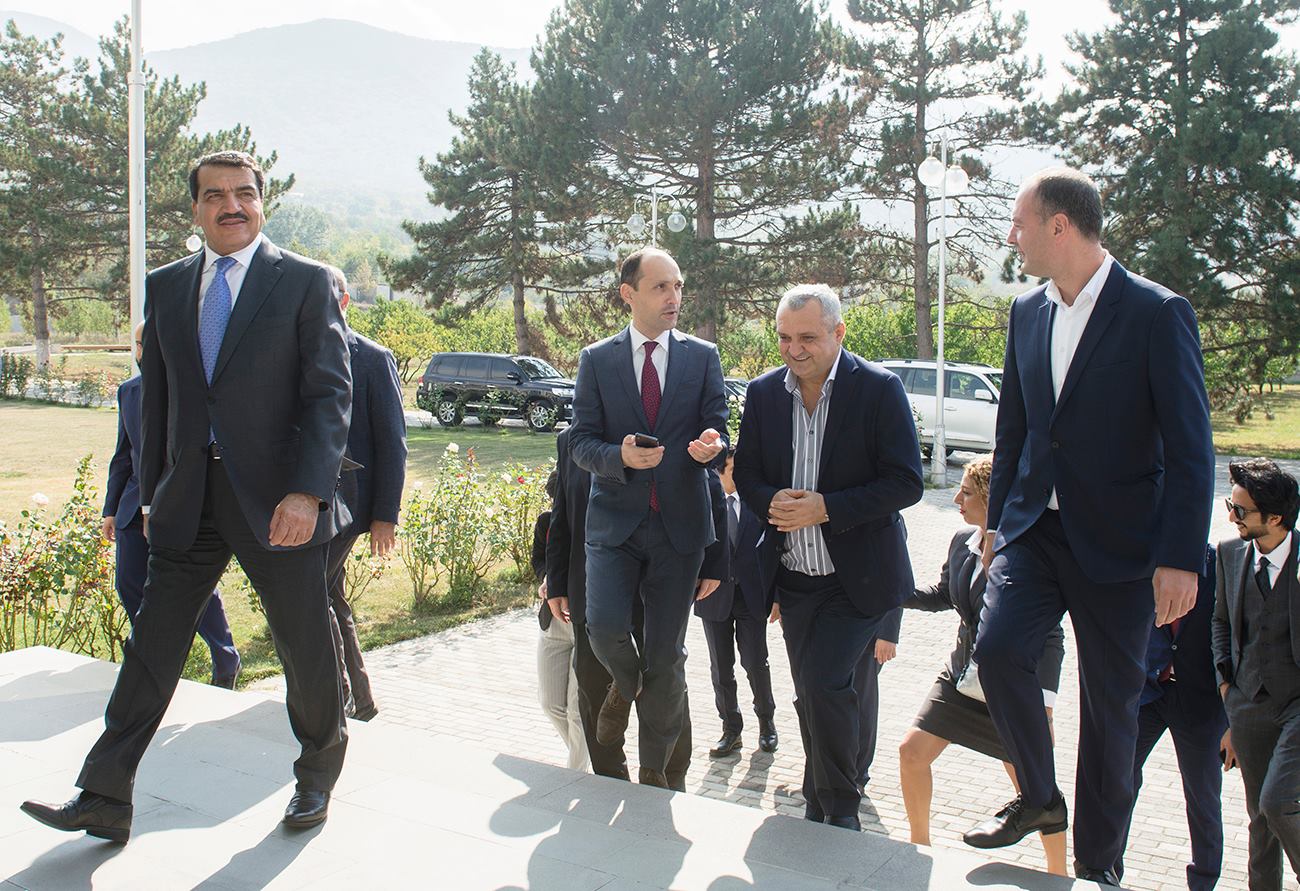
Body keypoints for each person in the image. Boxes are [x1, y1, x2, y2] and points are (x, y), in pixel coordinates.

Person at [21, 150, 353, 841]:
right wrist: (152, 492)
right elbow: (158, 401)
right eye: (215, 195)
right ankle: (104, 794)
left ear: (261, 202)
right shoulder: (167, 286)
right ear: (195, 208)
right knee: (153, 645)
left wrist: (308, 494)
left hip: (278, 505)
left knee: (303, 646)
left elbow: (329, 395)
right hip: (188, 501)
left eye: (244, 193)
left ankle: (316, 774)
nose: (232, 206)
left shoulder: (305, 281)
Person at [967, 166, 1215, 884]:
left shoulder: (1157, 312)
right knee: (997, 652)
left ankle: (1099, 864)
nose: (1011, 237)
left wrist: (1180, 558)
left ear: (1059, 226)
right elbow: (1014, 430)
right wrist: (997, 525)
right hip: (1035, 533)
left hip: (1124, 547)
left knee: (1110, 715)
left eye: (1019, 224)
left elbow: (1192, 448)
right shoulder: (1027, 313)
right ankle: (1040, 798)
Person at [734, 283, 923, 831]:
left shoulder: (879, 390)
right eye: (784, 338)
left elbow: (906, 482)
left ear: (839, 333)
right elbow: (747, 473)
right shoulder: (764, 393)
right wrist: (770, 499)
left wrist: (827, 508)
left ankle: (841, 809)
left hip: (858, 580)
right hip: (795, 579)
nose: (794, 350)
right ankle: (821, 799)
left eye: (808, 338)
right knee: (812, 693)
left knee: (824, 684)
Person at [569, 246, 727, 789]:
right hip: (614, 527)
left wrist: (712, 446)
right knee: (605, 630)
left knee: (666, 656)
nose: (674, 297)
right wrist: (618, 457)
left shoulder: (702, 357)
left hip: (679, 530)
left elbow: (717, 427)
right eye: (661, 287)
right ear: (628, 294)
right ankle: (625, 681)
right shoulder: (597, 360)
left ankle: (655, 773)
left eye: (678, 286)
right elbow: (580, 443)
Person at [897, 455, 1067, 876]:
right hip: (960, 678)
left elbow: (1050, 635)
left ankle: (1059, 872)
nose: (956, 499)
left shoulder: (1025, 554)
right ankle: (919, 846)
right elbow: (944, 594)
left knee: (1036, 790)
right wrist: (896, 593)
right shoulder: (962, 541)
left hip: (1010, 688)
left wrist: (1044, 705)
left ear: (993, 500)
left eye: (967, 493)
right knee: (911, 752)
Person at [546, 426, 693, 789]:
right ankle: (610, 780)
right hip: (589, 591)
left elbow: (701, 494)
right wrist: (557, 581)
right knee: (593, 690)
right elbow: (561, 515)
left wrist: (713, 562)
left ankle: (668, 777)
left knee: (664, 682)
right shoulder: (571, 441)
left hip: (653, 588)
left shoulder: (660, 431)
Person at [101, 321, 240, 689]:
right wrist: (111, 509)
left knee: (192, 585)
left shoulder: (191, 392)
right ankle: (154, 657)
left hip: (179, 504)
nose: (143, 351)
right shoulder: (128, 392)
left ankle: (225, 655)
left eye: (150, 343)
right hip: (133, 508)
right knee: (128, 583)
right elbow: (123, 456)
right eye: (138, 344)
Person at [1118, 544, 1229, 891]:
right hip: (1149, 691)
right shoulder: (1143, 559)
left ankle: (1203, 882)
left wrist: (1233, 717)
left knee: (1203, 797)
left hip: (1200, 700)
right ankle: (1106, 868)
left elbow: (1233, 636)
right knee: (1119, 779)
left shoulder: (1220, 567)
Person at [323, 265, 406, 723]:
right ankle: (360, 701)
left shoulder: (373, 358)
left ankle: (336, 699)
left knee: (311, 592)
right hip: (311, 501)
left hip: (353, 503)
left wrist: (385, 515)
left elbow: (393, 441)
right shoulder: (300, 352)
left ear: (345, 302)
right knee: (328, 595)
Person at [1212, 458, 1300, 889]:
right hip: (1247, 704)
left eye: (1240, 510)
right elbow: (1220, 622)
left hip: (1297, 705)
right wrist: (1227, 689)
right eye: (1232, 506)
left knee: (1278, 803)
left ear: (1275, 518)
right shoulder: (1229, 554)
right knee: (1259, 822)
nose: (1232, 517)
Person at [695, 446, 778, 758]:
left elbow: (775, 552)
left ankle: (767, 723)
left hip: (751, 598)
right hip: (713, 598)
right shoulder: (703, 503)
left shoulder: (758, 504)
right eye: (734, 469)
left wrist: (777, 597)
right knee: (721, 668)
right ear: (719, 472)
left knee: (756, 663)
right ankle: (731, 729)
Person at [535, 470, 588, 771]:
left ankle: (576, 774)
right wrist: (546, 578)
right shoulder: (545, 522)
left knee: (578, 711)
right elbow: (539, 560)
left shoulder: (591, 525)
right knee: (551, 704)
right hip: (552, 624)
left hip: (584, 625)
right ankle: (586, 759)